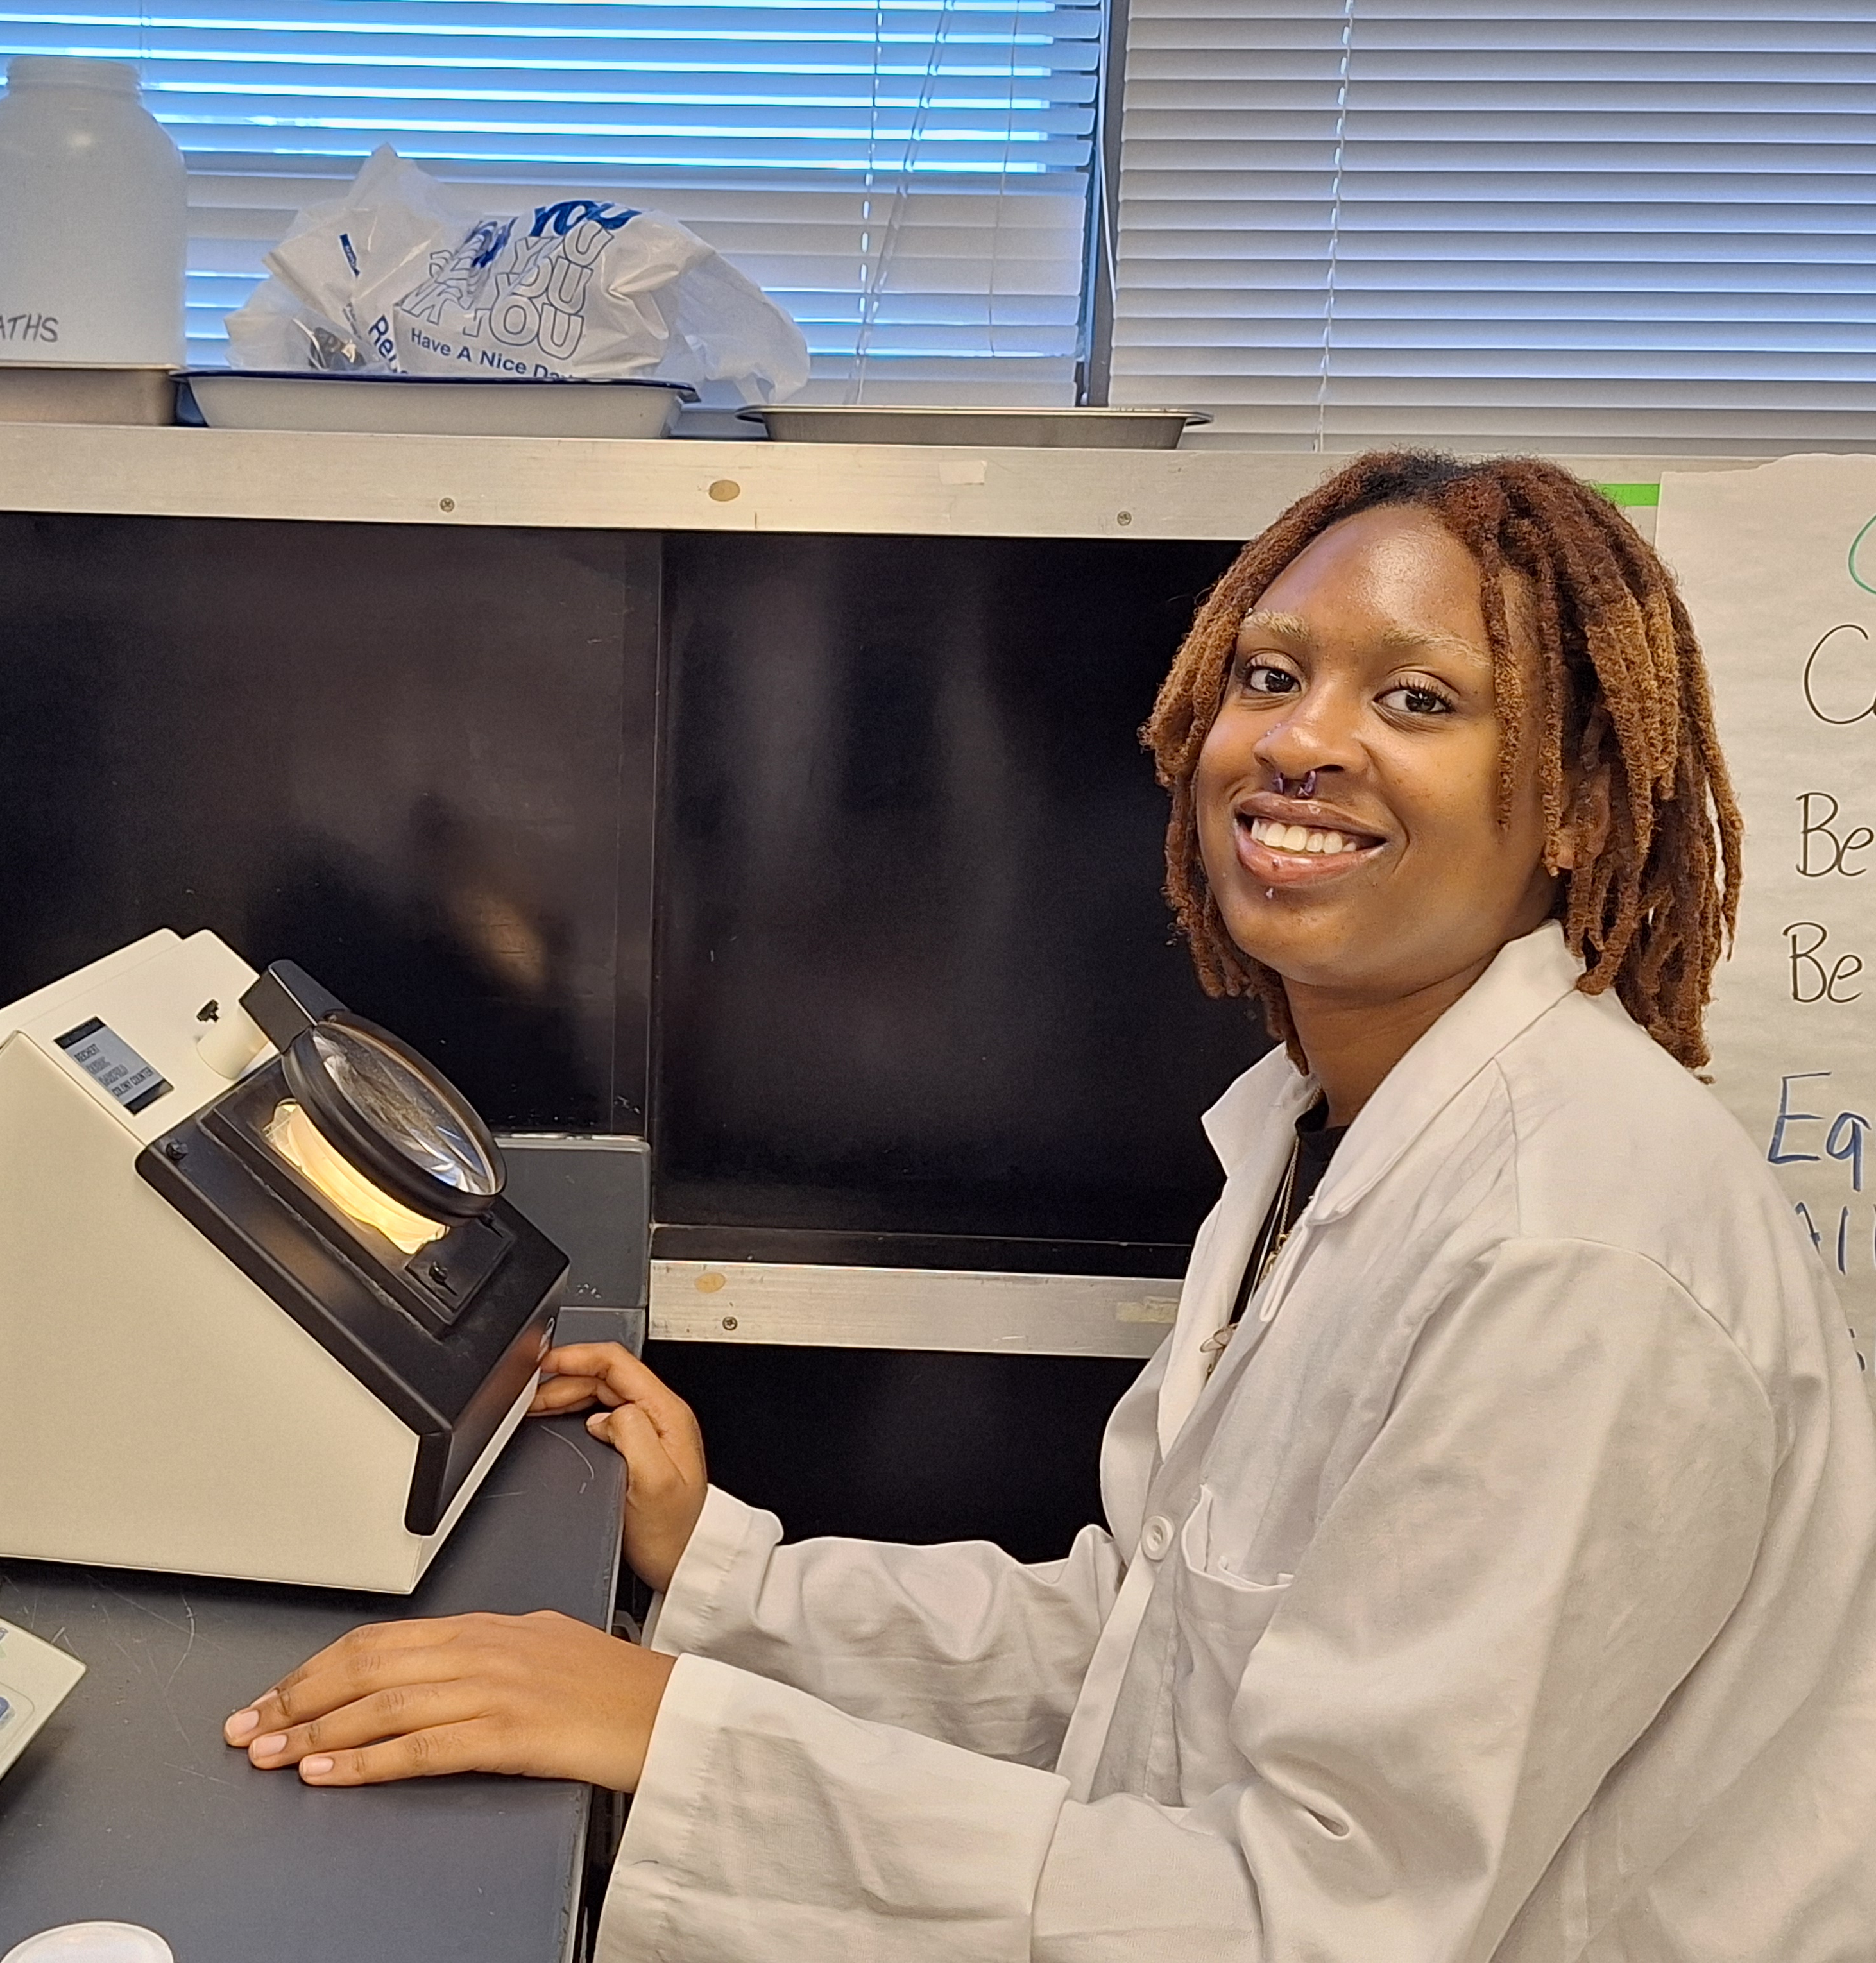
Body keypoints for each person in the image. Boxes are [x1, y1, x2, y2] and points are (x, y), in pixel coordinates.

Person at [223, 452, 1876, 1960]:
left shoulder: (1571, 1248)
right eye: (1272, 675)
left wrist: (679, 1734)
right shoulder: (1340, 1135)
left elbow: (1313, 1922)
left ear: (1579, 803)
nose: (1302, 741)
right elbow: (1147, 1648)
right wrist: (725, 1585)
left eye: (1422, 699)